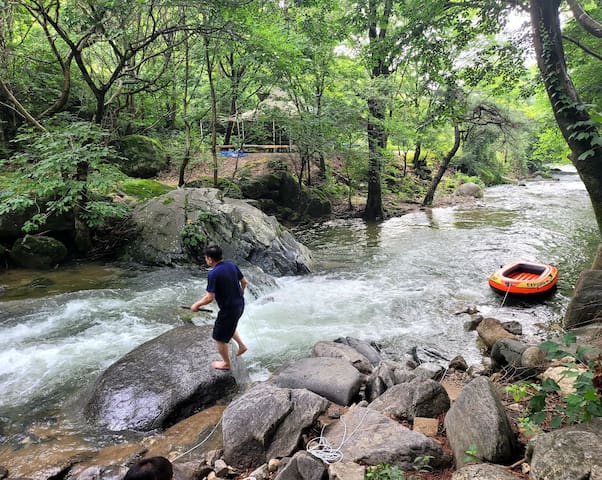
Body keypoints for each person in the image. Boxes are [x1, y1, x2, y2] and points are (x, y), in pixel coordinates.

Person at [191, 245, 248, 370]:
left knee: (219, 338)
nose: (206, 260)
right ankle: (242, 346)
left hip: (228, 310)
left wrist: (196, 305)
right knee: (229, 326)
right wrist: (241, 293)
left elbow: (209, 297)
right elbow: (244, 282)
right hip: (240, 304)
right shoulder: (231, 265)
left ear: (210, 259)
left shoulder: (213, 274)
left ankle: (226, 363)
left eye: (206, 258)